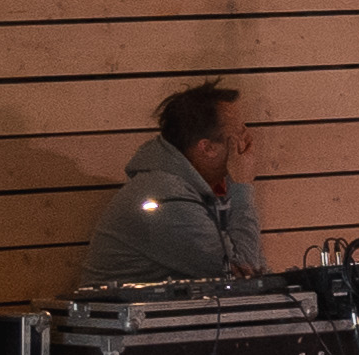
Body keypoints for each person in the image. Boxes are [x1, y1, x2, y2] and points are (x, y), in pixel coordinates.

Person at [76, 79, 263, 287]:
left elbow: (255, 268)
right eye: (239, 135)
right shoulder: (166, 196)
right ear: (207, 148)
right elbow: (245, 272)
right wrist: (242, 184)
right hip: (133, 318)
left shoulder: (190, 189)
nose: (247, 145)